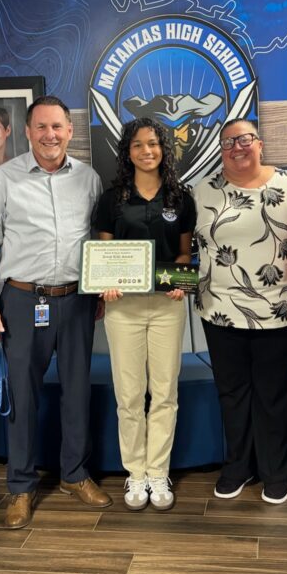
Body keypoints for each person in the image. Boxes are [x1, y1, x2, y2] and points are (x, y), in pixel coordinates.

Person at [0, 95, 110, 529]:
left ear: (70, 131)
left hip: (76, 299)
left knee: (76, 392)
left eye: (58, 127)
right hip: (23, 300)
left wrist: (102, 287)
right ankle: (21, 486)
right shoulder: (3, 179)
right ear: (27, 133)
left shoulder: (88, 179)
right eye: (41, 127)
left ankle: (74, 475)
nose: (50, 135)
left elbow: (100, 240)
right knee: (23, 397)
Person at [194, 119, 287, 505]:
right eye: (228, 142)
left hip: (279, 308)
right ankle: (238, 466)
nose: (237, 147)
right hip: (220, 310)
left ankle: (275, 470)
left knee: (274, 394)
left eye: (244, 139)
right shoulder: (202, 191)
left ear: (260, 143)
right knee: (232, 392)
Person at [94, 117, 195, 511]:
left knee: (166, 392)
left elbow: (185, 253)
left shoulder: (179, 198)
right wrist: (108, 280)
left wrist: (180, 280)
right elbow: (104, 255)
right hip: (124, 308)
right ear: (128, 152)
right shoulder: (112, 199)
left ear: (163, 149)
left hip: (167, 307)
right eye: (138, 145)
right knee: (130, 395)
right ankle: (135, 473)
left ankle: (158, 471)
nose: (146, 151)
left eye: (153, 144)